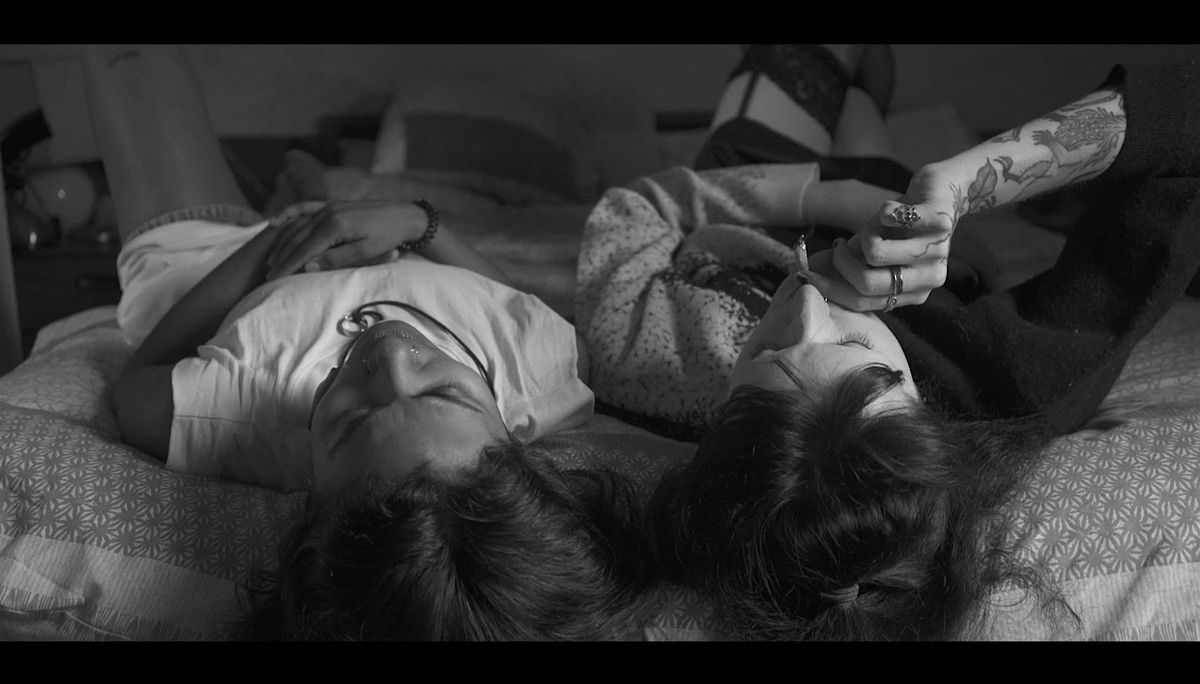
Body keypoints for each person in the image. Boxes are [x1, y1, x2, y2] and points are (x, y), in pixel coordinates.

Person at [575, 44, 1200, 639]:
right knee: (864, 110)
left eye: (764, 350)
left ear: (719, 419)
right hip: (892, 193)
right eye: (854, 346)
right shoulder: (1017, 381)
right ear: (927, 413)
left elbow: (635, 210)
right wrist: (962, 183)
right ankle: (868, 107)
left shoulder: (646, 359)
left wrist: (819, 194)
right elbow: (1186, 123)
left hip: (752, 180)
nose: (806, 298)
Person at [88, 44, 651, 640]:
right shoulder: (550, 374)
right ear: (516, 441)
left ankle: (294, 200)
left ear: (310, 494)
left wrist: (286, 235)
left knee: (131, 59)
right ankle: (302, 188)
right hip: (387, 233)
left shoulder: (234, 417)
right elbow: (504, 306)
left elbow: (139, 378)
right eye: (442, 392)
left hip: (218, 264)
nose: (387, 355)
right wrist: (420, 222)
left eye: (353, 419)